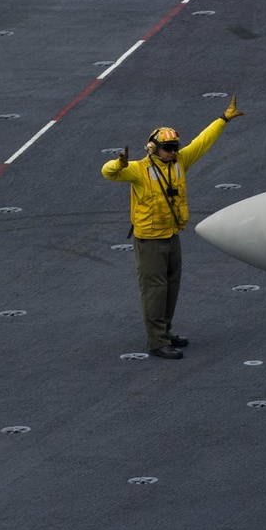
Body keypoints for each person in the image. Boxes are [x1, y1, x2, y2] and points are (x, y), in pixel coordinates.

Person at [102, 96, 244, 359]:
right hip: (149, 242)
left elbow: (202, 142)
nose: (173, 151)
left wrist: (223, 119)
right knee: (154, 291)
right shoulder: (137, 170)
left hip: (171, 236)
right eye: (167, 148)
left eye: (175, 147)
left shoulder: (179, 162)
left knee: (172, 286)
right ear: (152, 148)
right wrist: (118, 163)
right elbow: (107, 173)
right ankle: (157, 342)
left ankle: (165, 332)